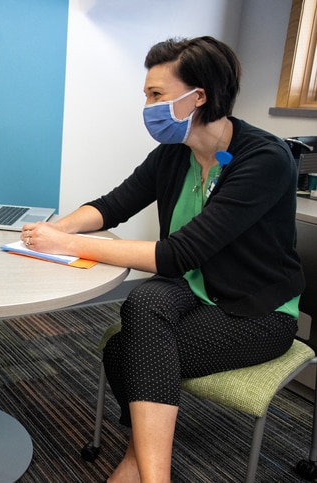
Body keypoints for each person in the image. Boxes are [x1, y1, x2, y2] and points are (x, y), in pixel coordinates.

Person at [21, 36, 304, 482]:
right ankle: (150, 465)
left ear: (200, 96)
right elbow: (112, 205)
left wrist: (71, 246)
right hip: (192, 290)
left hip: (255, 312)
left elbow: (178, 254)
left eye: (157, 95)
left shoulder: (265, 159)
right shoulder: (175, 154)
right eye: (146, 95)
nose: (147, 106)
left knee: (124, 352)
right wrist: (59, 230)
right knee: (143, 305)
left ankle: (142, 465)